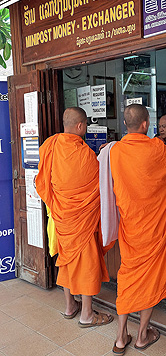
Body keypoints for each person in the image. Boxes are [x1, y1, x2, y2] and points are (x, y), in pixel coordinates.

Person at [109, 104, 166, 355]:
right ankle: (141, 336)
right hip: (153, 228)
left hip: (131, 225)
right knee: (149, 278)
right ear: (145, 124)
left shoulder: (115, 151)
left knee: (128, 277)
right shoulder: (156, 149)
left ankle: (120, 338)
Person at [35, 107, 113, 328]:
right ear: (80, 126)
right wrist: (106, 157)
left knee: (66, 260)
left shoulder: (50, 146)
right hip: (82, 219)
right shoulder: (85, 154)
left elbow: (42, 182)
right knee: (87, 262)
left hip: (61, 216)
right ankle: (87, 314)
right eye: (86, 125)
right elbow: (101, 184)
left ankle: (70, 306)